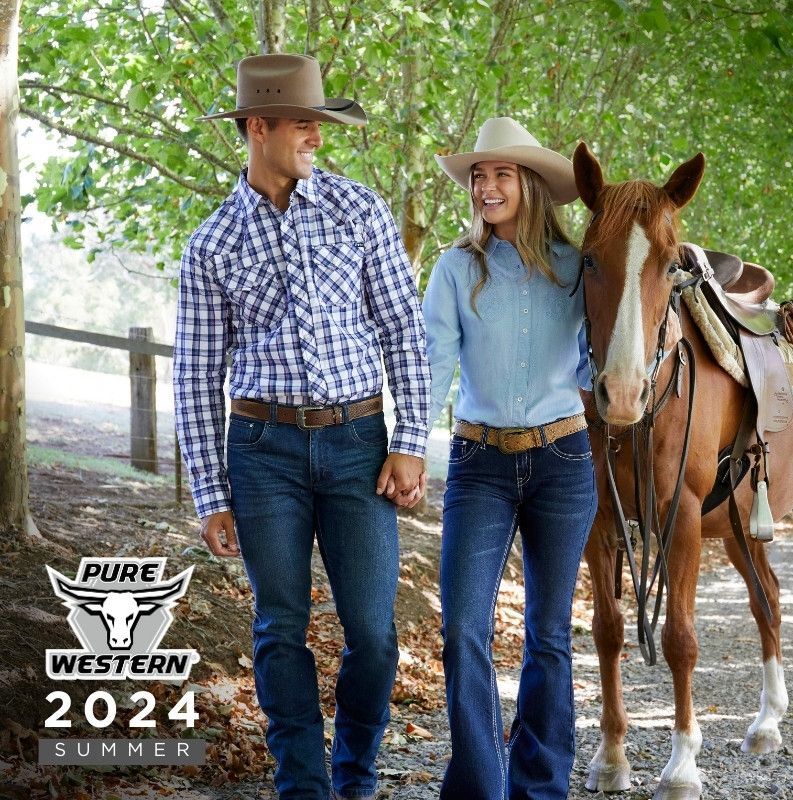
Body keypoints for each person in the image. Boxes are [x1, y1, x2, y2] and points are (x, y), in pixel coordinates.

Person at [173, 53, 431, 800]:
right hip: (263, 454)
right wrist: (209, 494)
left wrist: (411, 439)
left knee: (375, 636)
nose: (318, 136)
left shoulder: (359, 210)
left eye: (322, 123)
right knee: (280, 627)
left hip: (358, 446)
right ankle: (303, 786)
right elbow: (195, 377)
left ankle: (354, 774)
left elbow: (402, 331)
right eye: (304, 124)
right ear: (258, 128)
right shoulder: (213, 243)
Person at [422, 117, 597, 800]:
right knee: (464, 627)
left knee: (548, 632)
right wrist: (408, 449)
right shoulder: (454, 267)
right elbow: (433, 365)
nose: (486, 187)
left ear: (529, 184)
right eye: (478, 176)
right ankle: (477, 788)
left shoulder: (578, 268)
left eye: (500, 174)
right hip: (479, 463)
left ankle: (540, 787)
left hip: (563, 460)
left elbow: (607, 353)